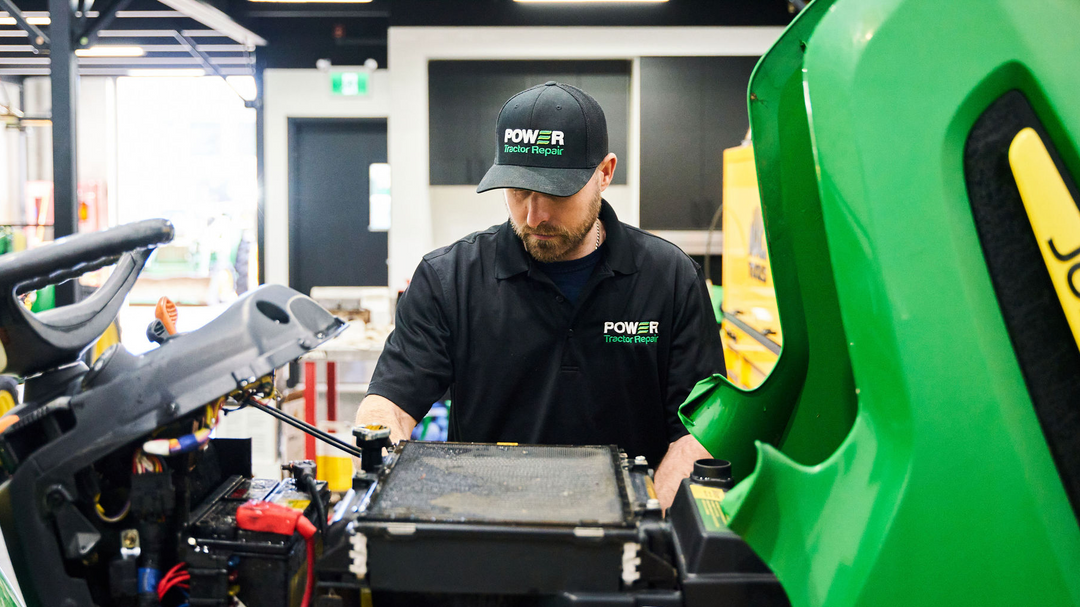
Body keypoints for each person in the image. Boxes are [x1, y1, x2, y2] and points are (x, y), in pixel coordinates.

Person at [356, 81, 725, 508]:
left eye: (555, 192)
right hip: (485, 537)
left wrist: (651, 532)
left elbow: (699, 431)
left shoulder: (670, 279)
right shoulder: (448, 279)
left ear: (604, 173)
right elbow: (390, 403)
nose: (534, 215)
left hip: (625, 546)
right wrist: (378, 453)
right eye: (518, 191)